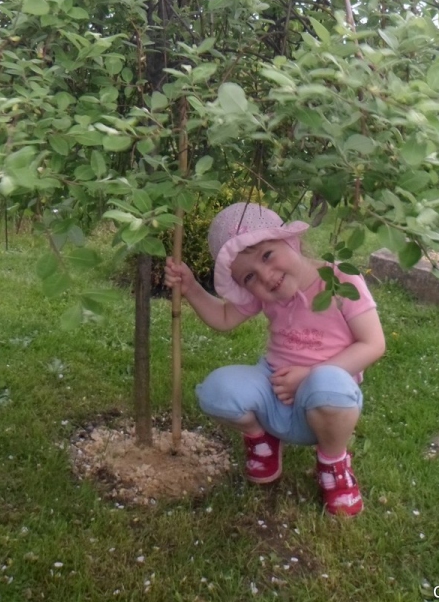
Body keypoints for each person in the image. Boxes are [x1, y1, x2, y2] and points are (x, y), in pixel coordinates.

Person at [164, 201, 385, 516]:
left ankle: (333, 463)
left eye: (267, 255)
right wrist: (191, 289)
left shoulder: (340, 282)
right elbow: (225, 317)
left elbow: (373, 344)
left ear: (289, 241)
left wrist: (309, 374)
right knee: (217, 390)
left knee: (328, 383)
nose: (266, 276)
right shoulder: (266, 295)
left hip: (325, 402)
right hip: (275, 390)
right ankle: (261, 439)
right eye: (249, 278)